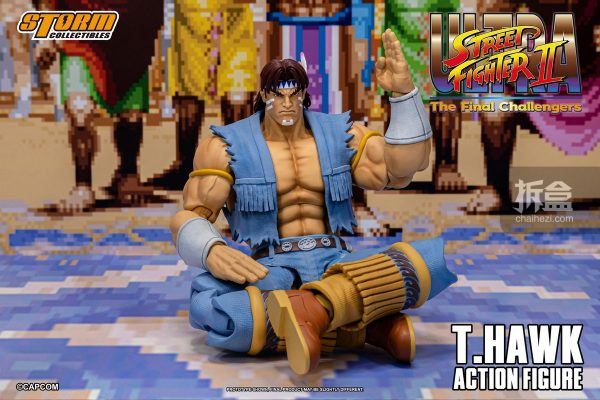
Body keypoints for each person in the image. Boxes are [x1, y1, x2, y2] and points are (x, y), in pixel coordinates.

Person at [171, 30, 457, 374]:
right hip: (271, 270)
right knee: (211, 305)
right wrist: (211, 250)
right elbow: (190, 214)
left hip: (337, 261)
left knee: (426, 263)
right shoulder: (224, 146)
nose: (287, 104)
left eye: (295, 94)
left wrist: (404, 94)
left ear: (305, 94)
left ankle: (311, 314)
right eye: (278, 95)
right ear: (263, 95)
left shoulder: (343, 134)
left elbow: (403, 167)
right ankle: (364, 322)